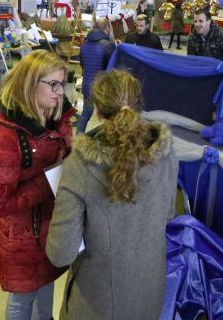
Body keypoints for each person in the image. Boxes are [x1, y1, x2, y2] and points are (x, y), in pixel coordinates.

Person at [45, 70, 178, 320]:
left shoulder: (80, 167)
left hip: (98, 303)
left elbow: (60, 253)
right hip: (150, 290)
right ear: (139, 106)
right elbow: (168, 214)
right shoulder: (167, 153)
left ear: (96, 110)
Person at [0, 50, 75, 320]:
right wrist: (51, 180)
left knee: (44, 284)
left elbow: (64, 146)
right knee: (23, 298)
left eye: (63, 84)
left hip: (50, 224)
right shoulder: (4, 137)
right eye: (54, 85)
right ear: (31, 83)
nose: (60, 92)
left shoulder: (54, 116)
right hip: (22, 236)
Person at [77, 18, 115, 133]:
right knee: (110, 117)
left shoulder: (84, 44)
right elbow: (112, 68)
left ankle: (78, 139)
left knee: (85, 114)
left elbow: (82, 64)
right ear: (107, 28)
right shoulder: (108, 45)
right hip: (103, 88)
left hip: (87, 86)